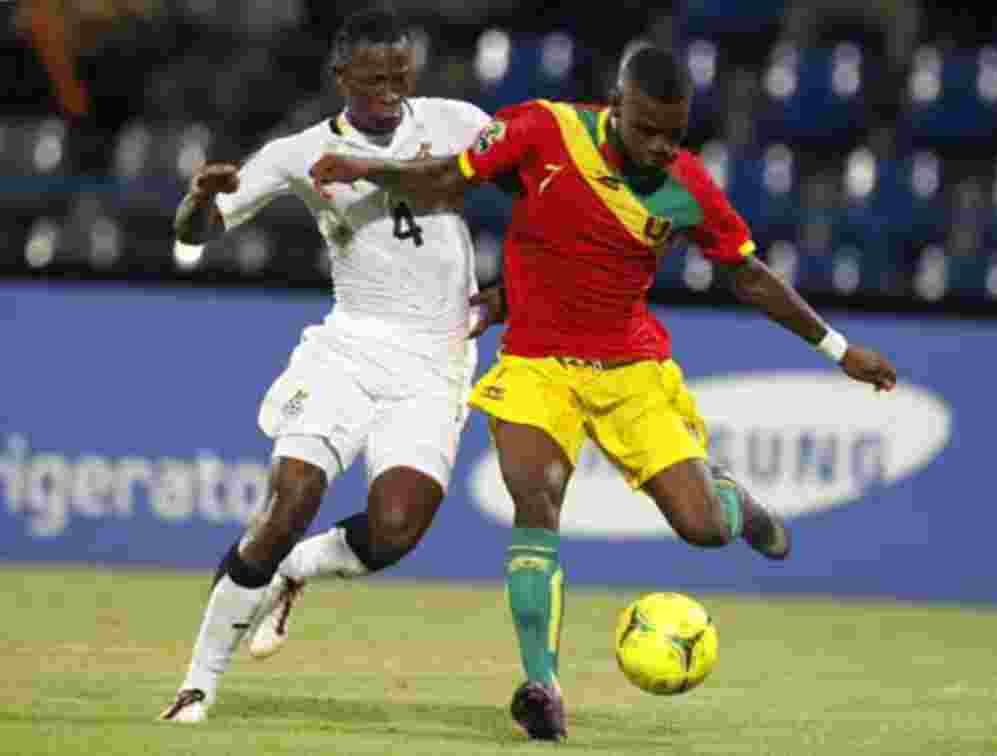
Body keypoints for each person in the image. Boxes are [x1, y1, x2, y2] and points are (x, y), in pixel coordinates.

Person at [305, 43, 898, 741]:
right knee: (537, 494)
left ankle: (735, 504)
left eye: (673, 134)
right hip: (535, 361)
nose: (658, 145)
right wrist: (368, 168)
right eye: (646, 127)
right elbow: (446, 179)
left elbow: (749, 275)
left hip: (629, 370)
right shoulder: (543, 130)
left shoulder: (688, 187)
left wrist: (839, 350)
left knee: (701, 527)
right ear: (616, 106)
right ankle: (542, 685)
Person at [158, 9, 504, 723]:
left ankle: (294, 571)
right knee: (291, 499)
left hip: (437, 360)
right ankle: (196, 683)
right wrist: (198, 200)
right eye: (373, 80)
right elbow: (198, 236)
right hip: (349, 346)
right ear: (341, 76)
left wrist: (512, 291)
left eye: (400, 78)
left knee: (397, 531)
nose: (388, 93)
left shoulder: (458, 120)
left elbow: (540, 189)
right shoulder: (298, 152)